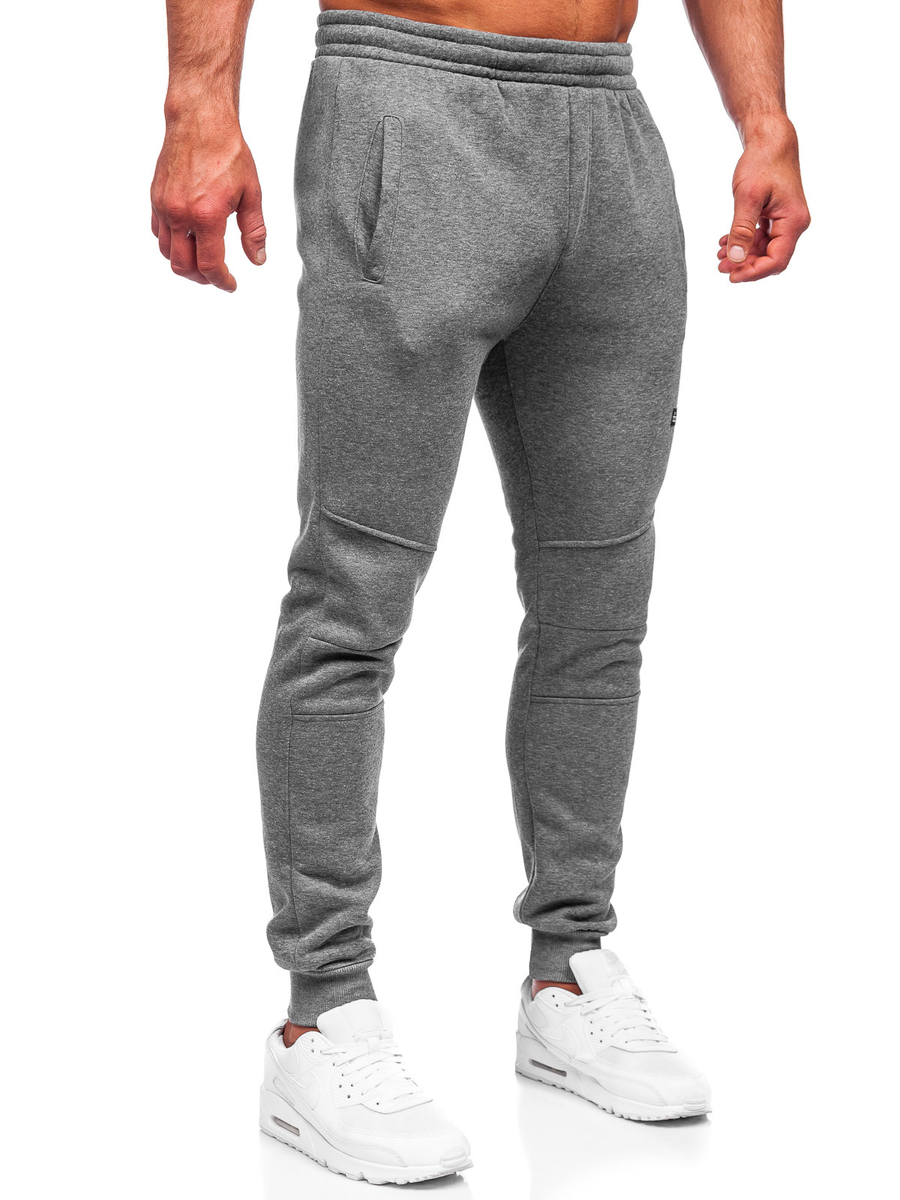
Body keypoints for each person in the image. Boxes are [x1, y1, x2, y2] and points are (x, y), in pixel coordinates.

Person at [151, 0, 809, 1185]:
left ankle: (569, 970)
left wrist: (765, 118)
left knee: (601, 600)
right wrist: (199, 100)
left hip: (609, 121)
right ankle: (321, 1012)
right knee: (352, 599)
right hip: (407, 99)